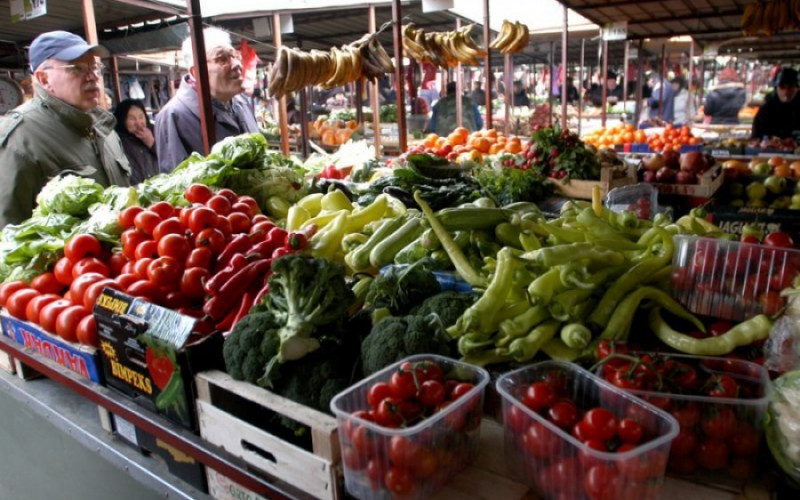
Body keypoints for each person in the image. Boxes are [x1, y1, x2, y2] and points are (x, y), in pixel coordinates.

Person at [0, 31, 131, 227]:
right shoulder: (20, 139)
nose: (93, 76)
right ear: (44, 79)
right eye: (77, 68)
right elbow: (7, 235)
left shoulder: (104, 127)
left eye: (95, 67)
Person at [154, 27, 258, 173]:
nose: (237, 65)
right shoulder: (173, 116)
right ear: (196, 72)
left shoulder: (242, 103)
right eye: (222, 59)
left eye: (235, 56)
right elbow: (177, 185)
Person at [114, 99, 158, 185]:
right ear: (123, 120)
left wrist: (152, 143)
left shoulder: (155, 131)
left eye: (141, 117)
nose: (138, 123)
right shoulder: (117, 140)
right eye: (132, 118)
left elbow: (168, 159)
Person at [751, 67, 800, 139]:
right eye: (782, 87)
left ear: (797, 88)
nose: (786, 92)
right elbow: (756, 138)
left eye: (790, 87)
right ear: (776, 88)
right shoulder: (766, 110)